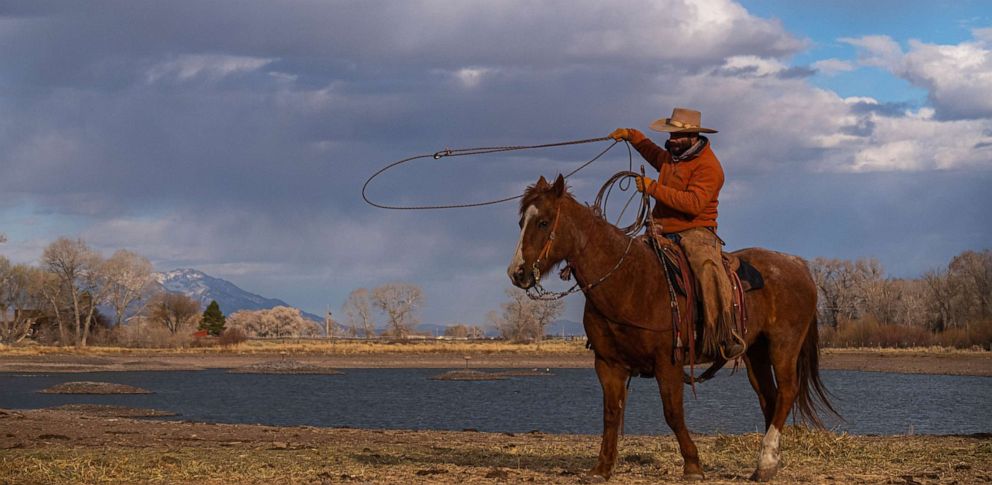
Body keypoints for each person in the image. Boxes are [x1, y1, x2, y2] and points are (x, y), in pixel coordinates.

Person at [609, 107, 745, 359]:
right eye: (670, 136)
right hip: (662, 229)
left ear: (693, 136)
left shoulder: (710, 167)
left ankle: (724, 334)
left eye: (676, 137)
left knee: (707, 268)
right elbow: (654, 154)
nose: (671, 141)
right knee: (627, 259)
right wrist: (633, 135)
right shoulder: (674, 157)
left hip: (696, 231)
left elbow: (693, 204)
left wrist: (653, 189)